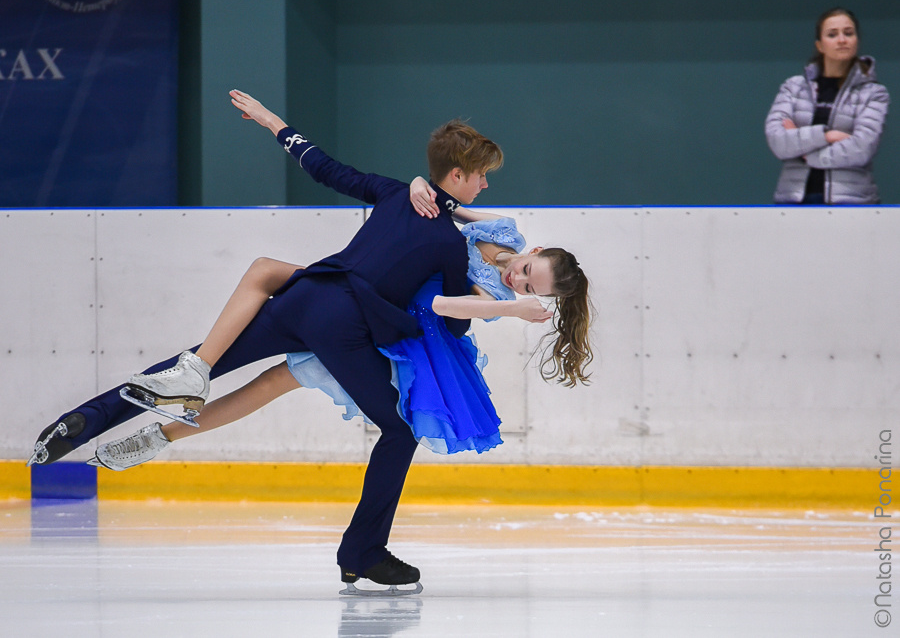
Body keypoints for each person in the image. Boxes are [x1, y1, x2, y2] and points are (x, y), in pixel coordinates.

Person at [29, 90, 505, 594]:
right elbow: (453, 325)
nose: (486, 183)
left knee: (195, 364)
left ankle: (86, 422)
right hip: (344, 326)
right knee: (400, 430)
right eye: (481, 176)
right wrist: (481, 290)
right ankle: (362, 551)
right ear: (456, 175)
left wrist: (273, 122)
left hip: (303, 296)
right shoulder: (450, 244)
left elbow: (325, 168)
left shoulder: (393, 192)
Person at [89, 191, 593, 468]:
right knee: (267, 273)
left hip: (392, 329)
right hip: (360, 287)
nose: (517, 280)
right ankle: (192, 373)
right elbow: (446, 206)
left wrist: (510, 310)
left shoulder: (500, 299)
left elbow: (441, 304)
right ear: (533, 248)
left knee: (274, 382)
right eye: (527, 270)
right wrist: (421, 188)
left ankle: (161, 437)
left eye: (529, 289)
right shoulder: (503, 228)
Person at [765, 7, 889, 205]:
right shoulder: (794, 87)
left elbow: (862, 148)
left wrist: (805, 153)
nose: (842, 40)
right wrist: (827, 136)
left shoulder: (873, 93)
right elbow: (778, 142)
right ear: (820, 45)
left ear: (856, 40)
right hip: (794, 202)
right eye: (832, 34)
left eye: (848, 33)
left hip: (852, 202)